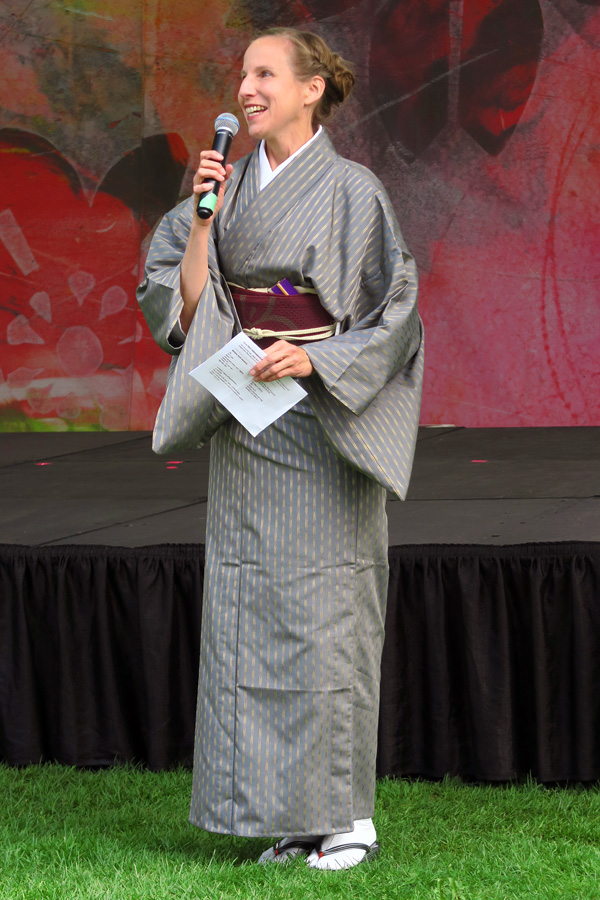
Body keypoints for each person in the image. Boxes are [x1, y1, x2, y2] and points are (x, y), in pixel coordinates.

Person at [137, 27, 423, 870]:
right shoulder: (221, 185)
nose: (247, 87)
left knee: (325, 620)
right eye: (242, 74)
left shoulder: (353, 191)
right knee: (253, 621)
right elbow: (187, 307)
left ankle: (350, 819)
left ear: (311, 91)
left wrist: (320, 355)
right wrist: (203, 222)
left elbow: (396, 314)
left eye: (266, 74)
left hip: (323, 426)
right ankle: (294, 816)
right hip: (244, 417)